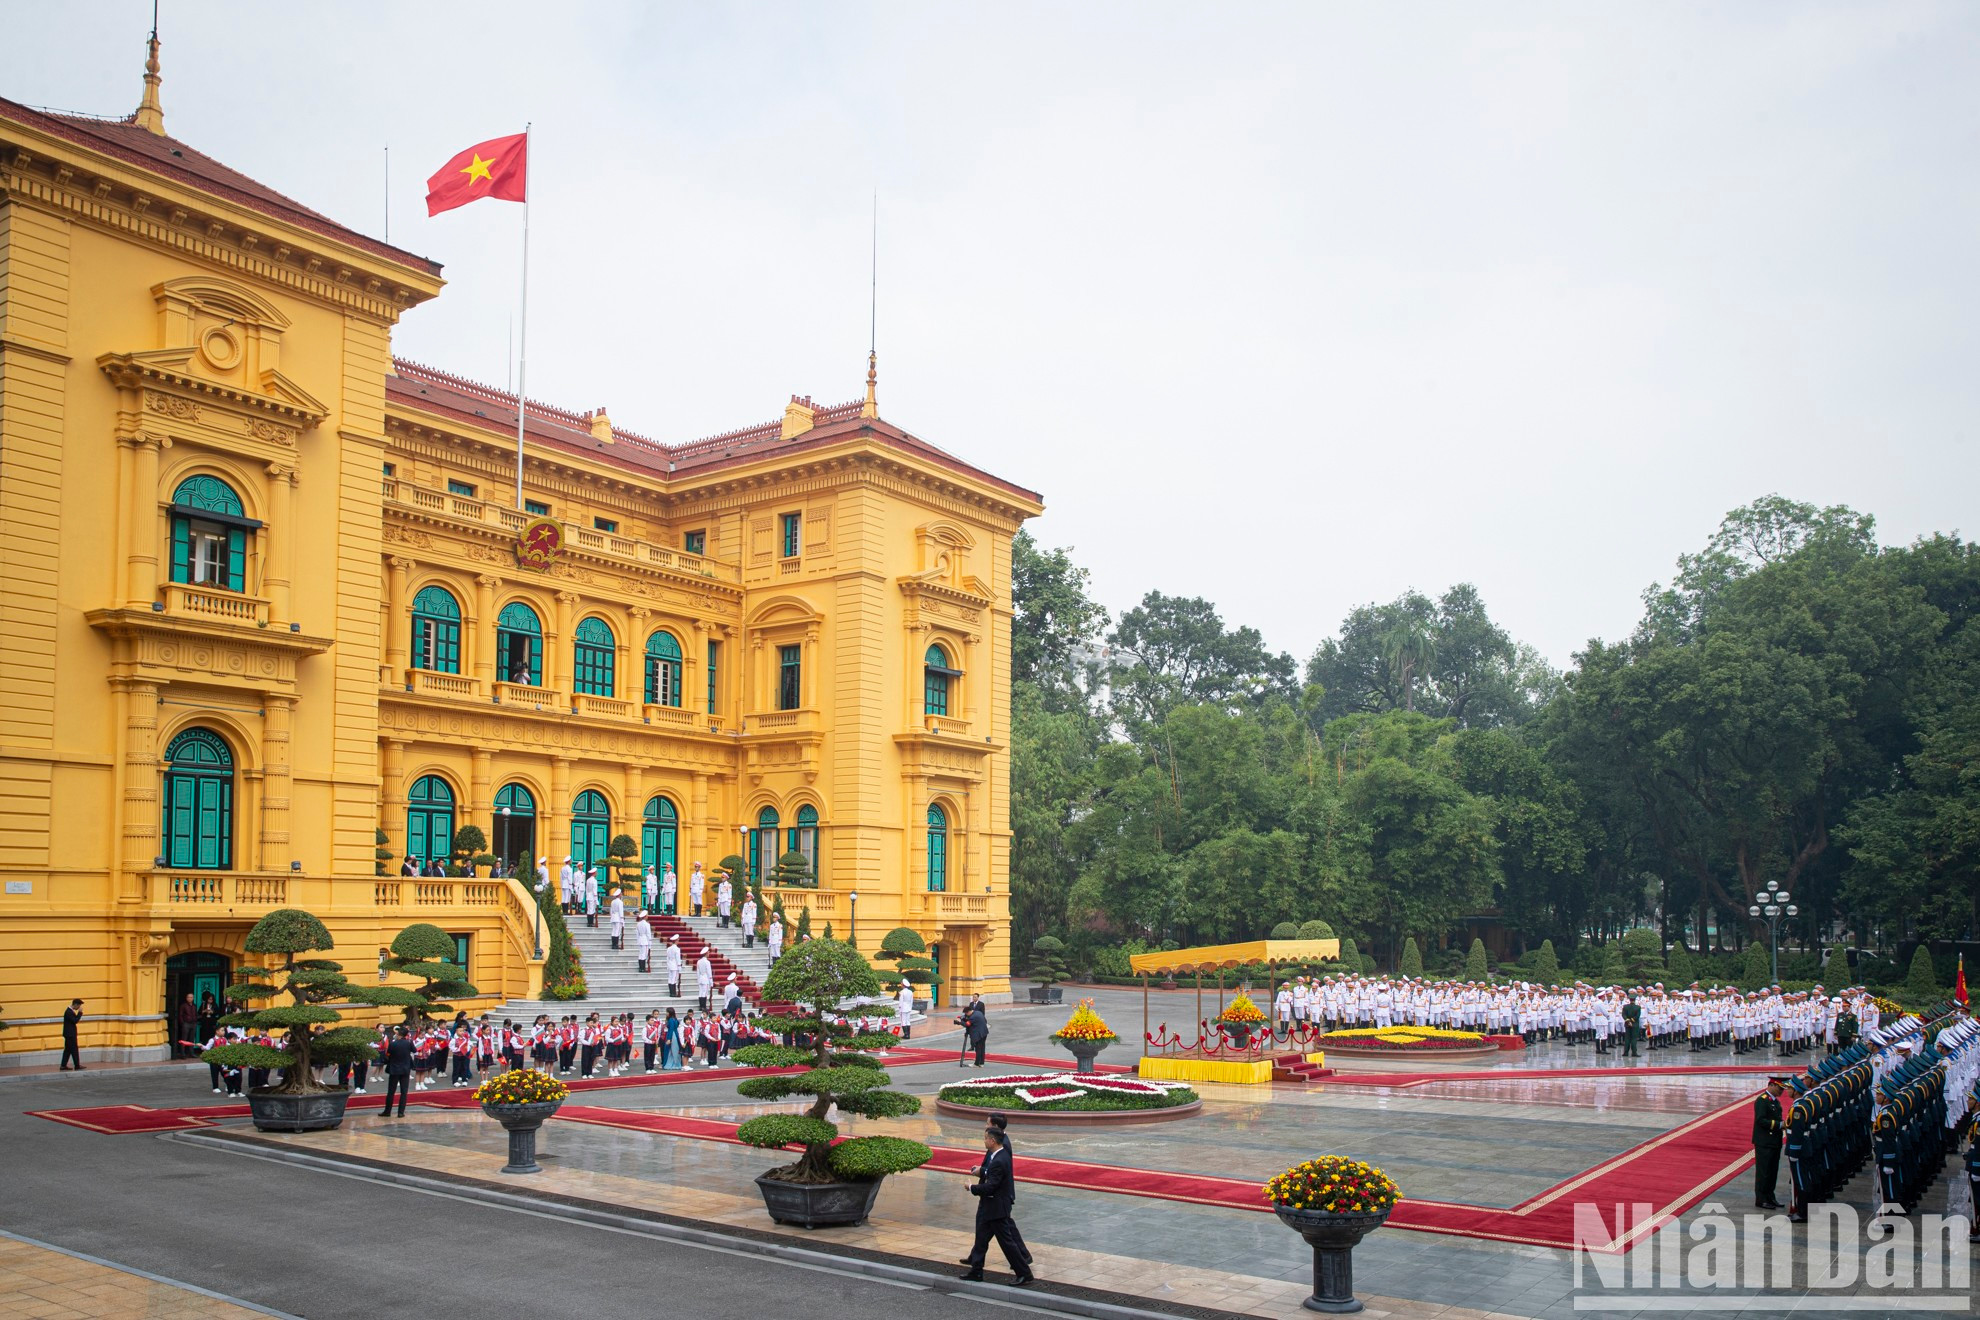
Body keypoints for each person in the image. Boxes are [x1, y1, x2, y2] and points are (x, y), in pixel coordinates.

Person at [960, 1120, 1033, 1285]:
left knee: (1007, 1243)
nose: (984, 1141)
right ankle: (976, 1271)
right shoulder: (1000, 1155)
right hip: (991, 1207)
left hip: (996, 1208)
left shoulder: (999, 1160)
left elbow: (991, 1187)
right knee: (981, 1240)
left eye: (985, 1138)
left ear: (992, 1141)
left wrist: (971, 1187)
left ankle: (1024, 1273)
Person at [1752, 1077, 1788, 1209]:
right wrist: (1779, 1125)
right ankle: (1761, 1199)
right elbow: (1760, 1120)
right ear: (1771, 1085)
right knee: (1764, 1172)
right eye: (1779, 1088)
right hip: (1765, 1142)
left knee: (1772, 1172)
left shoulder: (1775, 1101)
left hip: (1774, 1141)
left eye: (1782, 1089)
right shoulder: (1762, 1100)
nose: (1781, 1091)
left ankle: (1770, 1196)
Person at [381, 1027, 415, 1116]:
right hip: (405, 1069)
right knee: (404, 1092)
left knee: (391, 1091)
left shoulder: (393, 1044)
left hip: (394, 1069)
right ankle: (401, 1112)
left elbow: (388, 1054)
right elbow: (415, 1050)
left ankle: (387, 1111)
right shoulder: (409, 1043)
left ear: (398, 1034)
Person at [59, 998, 84, 1070]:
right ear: (75, 1004)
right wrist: (80, 1013)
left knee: (67, 1050)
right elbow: (75, 1020)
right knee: (74, 1050)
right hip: (70, 1035)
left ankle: (63, 1065)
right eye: (79, 1005)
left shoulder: (70, 1011)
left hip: (69, 1034)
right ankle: (77, 1065)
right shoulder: (69, 1012)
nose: (79, 1007)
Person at [174, 993, 198, 1060]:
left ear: (193, 998)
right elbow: (180, 1015)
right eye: (189, 997)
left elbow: (196, 1014)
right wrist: (182, 1023)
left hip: (193, 1023)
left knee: (192, 1039)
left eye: (191, 997)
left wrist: (195, 1020)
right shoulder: (183, 1005)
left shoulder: (194, 1006)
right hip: (186, 1024)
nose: (190, 998)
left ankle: (191, 1053)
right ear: (186, 998)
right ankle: (182, 1054)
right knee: (184, 1039)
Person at [1621, 993, 1642, 1059]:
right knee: (1634, 1039)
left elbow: (1623, 1015)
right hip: (1634, 1024)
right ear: (1635, 1000)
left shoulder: (1625, 1007)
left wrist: (1628, 1021)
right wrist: (1631, 1021)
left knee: (1627, 1038)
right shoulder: (1638, 1007)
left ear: (1629, 1000)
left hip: (1627, 1024)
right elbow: (1637, 1016)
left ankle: (1625, 1052)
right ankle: (1634, 1052)